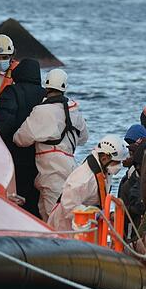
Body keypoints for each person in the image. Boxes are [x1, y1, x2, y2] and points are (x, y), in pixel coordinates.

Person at [13, 68, 89, 221]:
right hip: (70, 167)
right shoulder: (74, 109)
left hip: (51, 171)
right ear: (64, 87)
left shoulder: (42, 111)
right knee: (58, 211)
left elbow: (20, 139)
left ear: (46, 86)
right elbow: (84, 138)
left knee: (52, 217)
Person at [0, 59, 45, 218]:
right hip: (40, 158)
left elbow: (2, 124)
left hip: (15, 156)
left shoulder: (11, 92)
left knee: (18, 200)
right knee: (36, 201)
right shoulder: (45, 95)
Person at [47, 135, 128, 231]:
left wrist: (106, 214)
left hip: (87, 223)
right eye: (117, 162)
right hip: (66, 225)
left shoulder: (104, 169)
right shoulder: (84, 178)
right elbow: (68, 207)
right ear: (104, 158)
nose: (119, 166)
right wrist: (95, 216)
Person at [0, 34, 20, 114]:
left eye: (5, 57)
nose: (1, 61)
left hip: (6, 116)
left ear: (11, 56)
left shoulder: (19, 72)